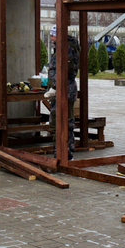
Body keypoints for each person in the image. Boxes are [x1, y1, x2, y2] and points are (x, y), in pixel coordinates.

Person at [46, 25, 81, 159]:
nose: (51, 38)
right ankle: (63, 153)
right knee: (61, 122)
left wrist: (55, 86)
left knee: (63, 123)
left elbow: (66, 70)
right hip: (63, 90)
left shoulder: (67, 48)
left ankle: (63, 154)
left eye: (53, 35)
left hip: (64, 91)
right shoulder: (65, 47)